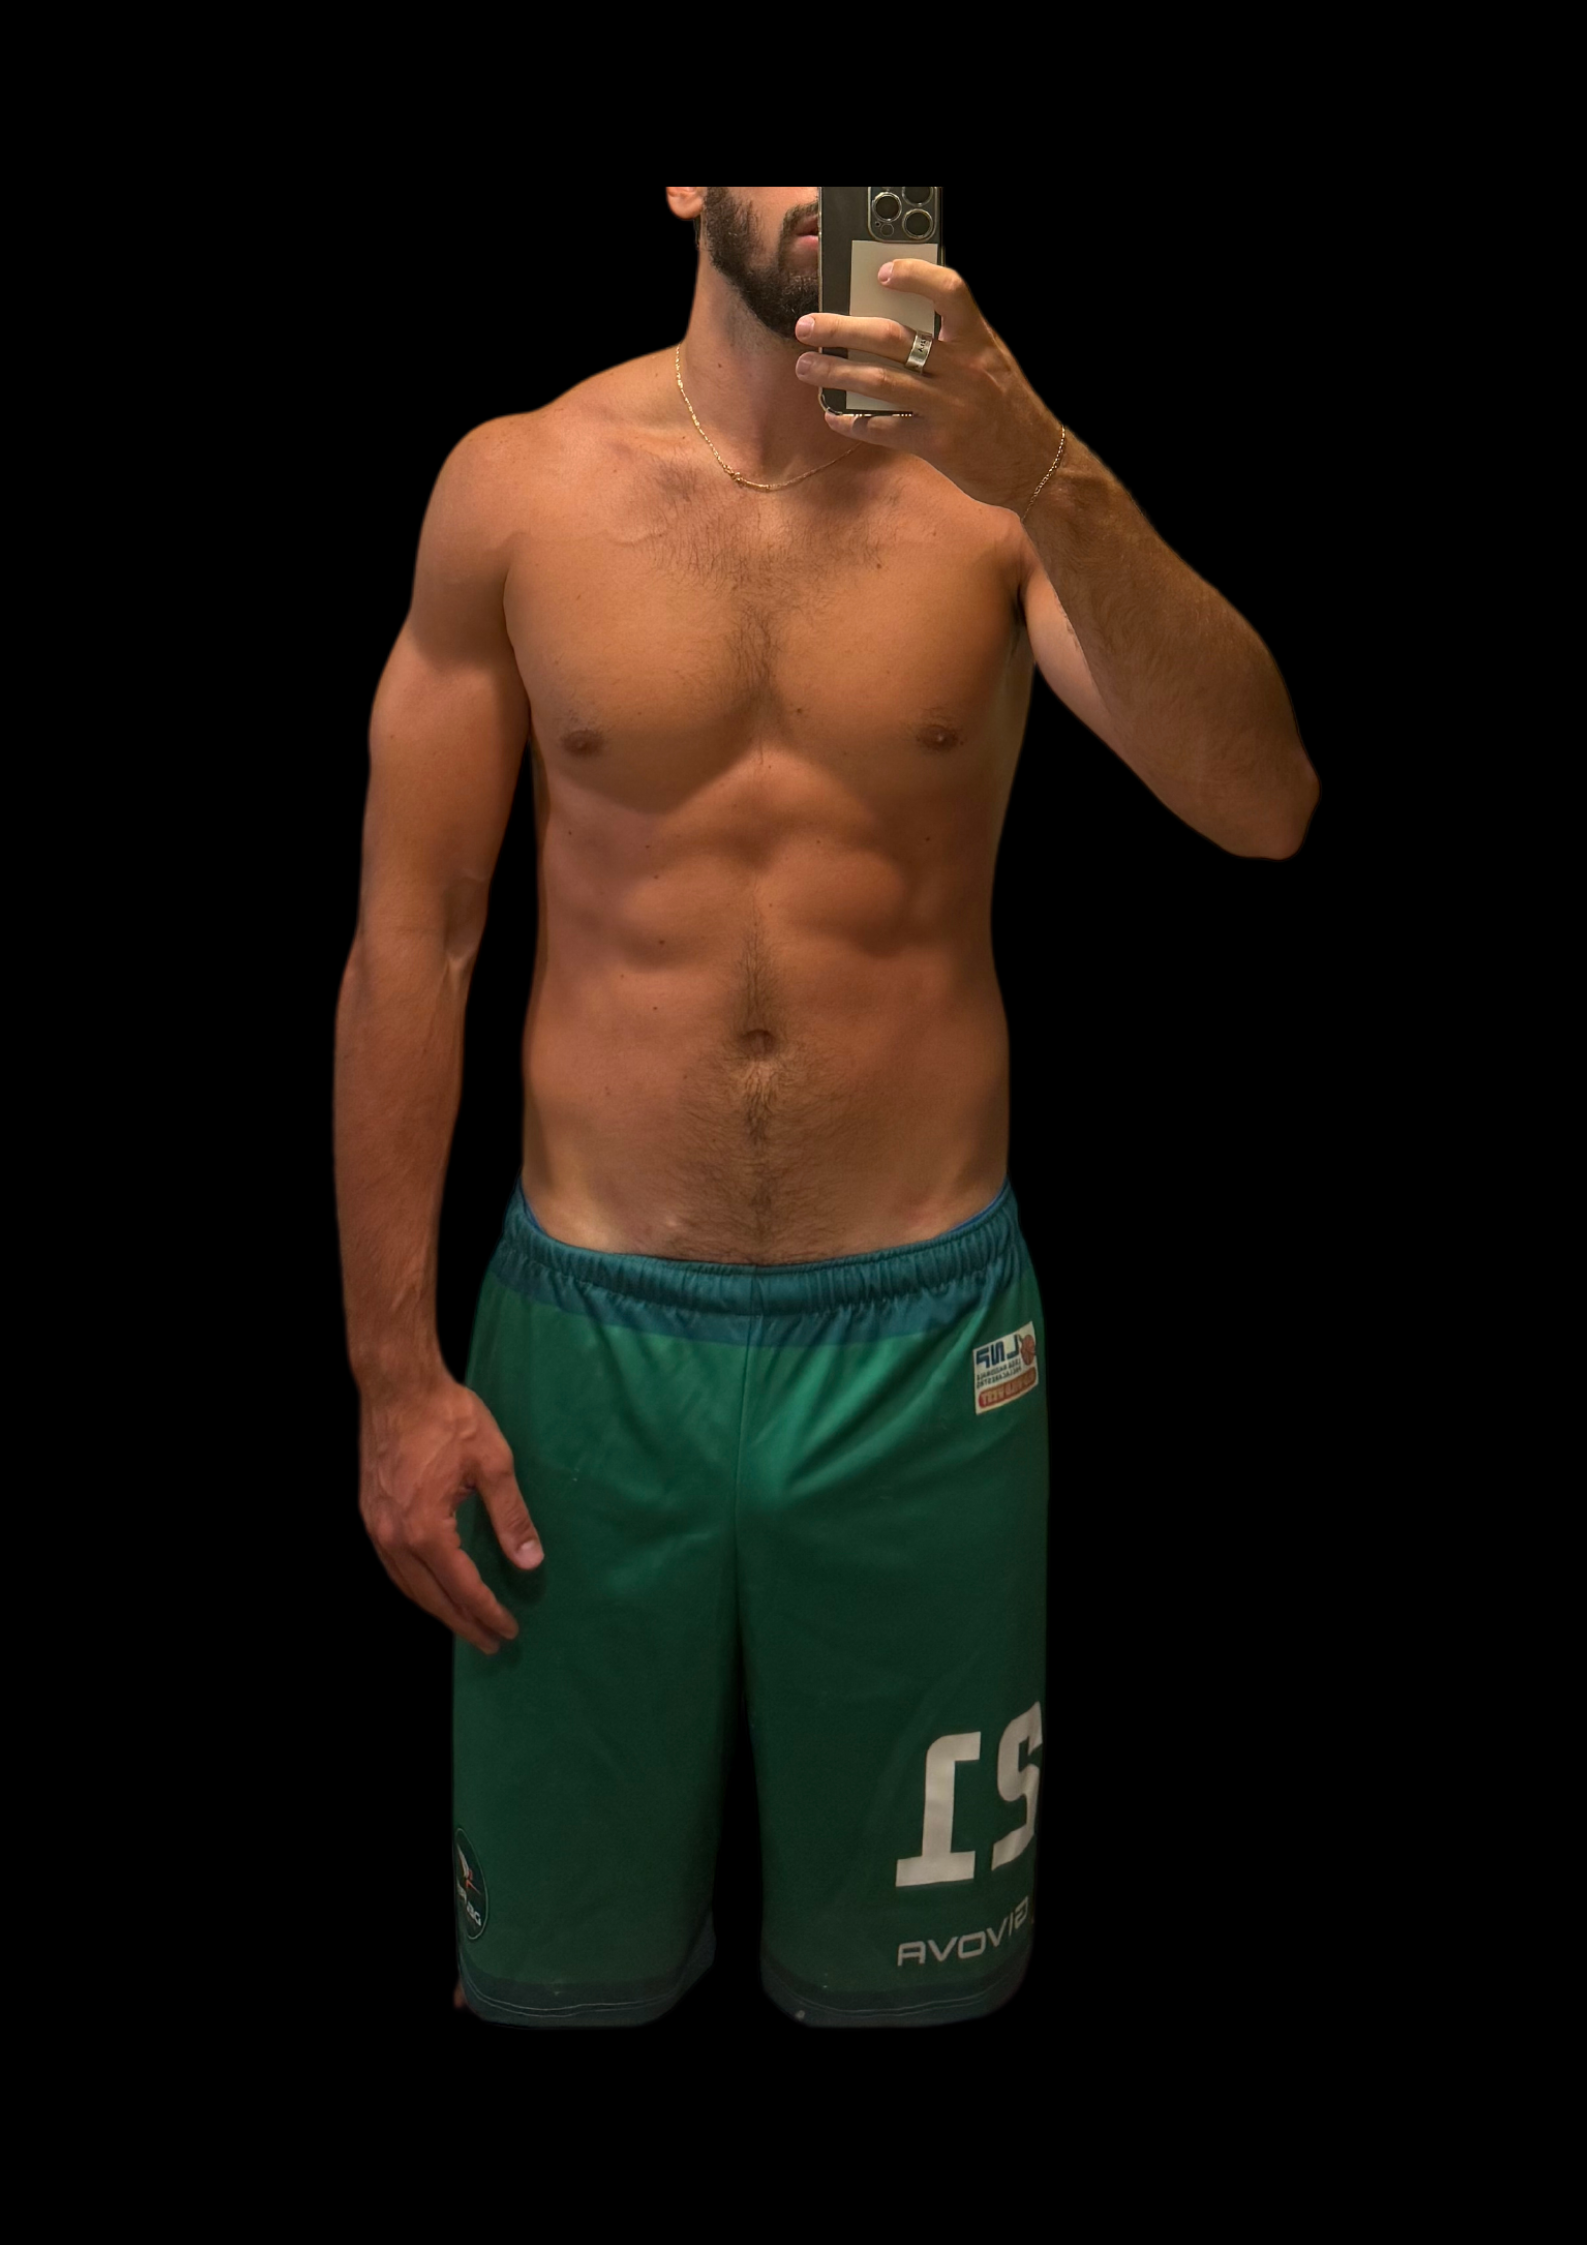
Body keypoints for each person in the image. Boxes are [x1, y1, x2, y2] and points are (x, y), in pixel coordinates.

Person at [333, 185, 1320, 2031]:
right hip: (587, 1349)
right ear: (684, 185)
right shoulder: (519, 487)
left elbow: (1263, 806)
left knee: (919, 1998)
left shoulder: (995, 492)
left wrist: (1047, 470)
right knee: (551, 1988)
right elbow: (417, 938)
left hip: (922, 1354)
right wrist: (394, 1379)